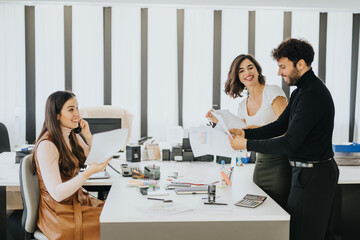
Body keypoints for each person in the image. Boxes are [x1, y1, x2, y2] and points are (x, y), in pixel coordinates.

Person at [229, 39, 339, 240]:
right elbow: (280, 125)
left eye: (282, 66)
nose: (279, 72)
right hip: (303, 171)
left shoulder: (313, 94)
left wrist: (246, 144)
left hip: (315, 174)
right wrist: (245, 133)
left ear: (301, 64)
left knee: (305, 234)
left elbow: (289, 142)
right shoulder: (301, 92)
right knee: (298, 230)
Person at [206, 54, 291, 209]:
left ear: (257, 70)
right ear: (238, 77)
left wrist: (250, 131)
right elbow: (242, 133)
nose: (247, 72)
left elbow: (286, 129)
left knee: (278, 211)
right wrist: (219, 123)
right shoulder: (242, 105)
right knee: (261, 210)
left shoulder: (272, 91)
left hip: (281, 163)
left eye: (250, 67)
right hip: (261, 163)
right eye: (241, 70)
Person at [32, 91, 112, 240]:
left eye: (77, 108)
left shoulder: (72, 135)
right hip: (59, 213)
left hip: (77, 201)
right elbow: (57, 194)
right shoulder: (47, 145)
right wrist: (86, 174)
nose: (77, 113)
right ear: (56, 115)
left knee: (116, 214)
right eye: (70, 109)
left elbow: (94, 158)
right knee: (113, 223)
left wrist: (88, 135)